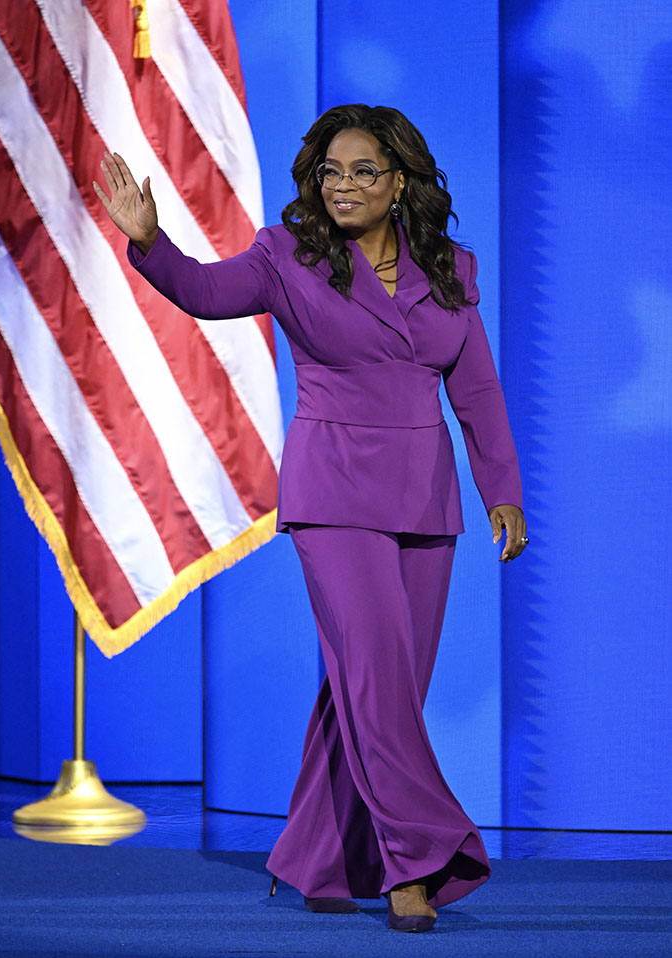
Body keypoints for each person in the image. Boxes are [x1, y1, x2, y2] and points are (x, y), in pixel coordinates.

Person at [94, 103, 527, 933]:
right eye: (331, 172)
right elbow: (207, 293)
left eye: (363, 171)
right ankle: (418, 863)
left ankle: (313, 855)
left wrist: (500, 488)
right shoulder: (286, 254)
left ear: (400, 181)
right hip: (334, 496)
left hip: (426, 500)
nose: (344, 186)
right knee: (375, 678)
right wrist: (151, 243)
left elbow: (475, 390)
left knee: (375, 690)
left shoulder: (450, 267)